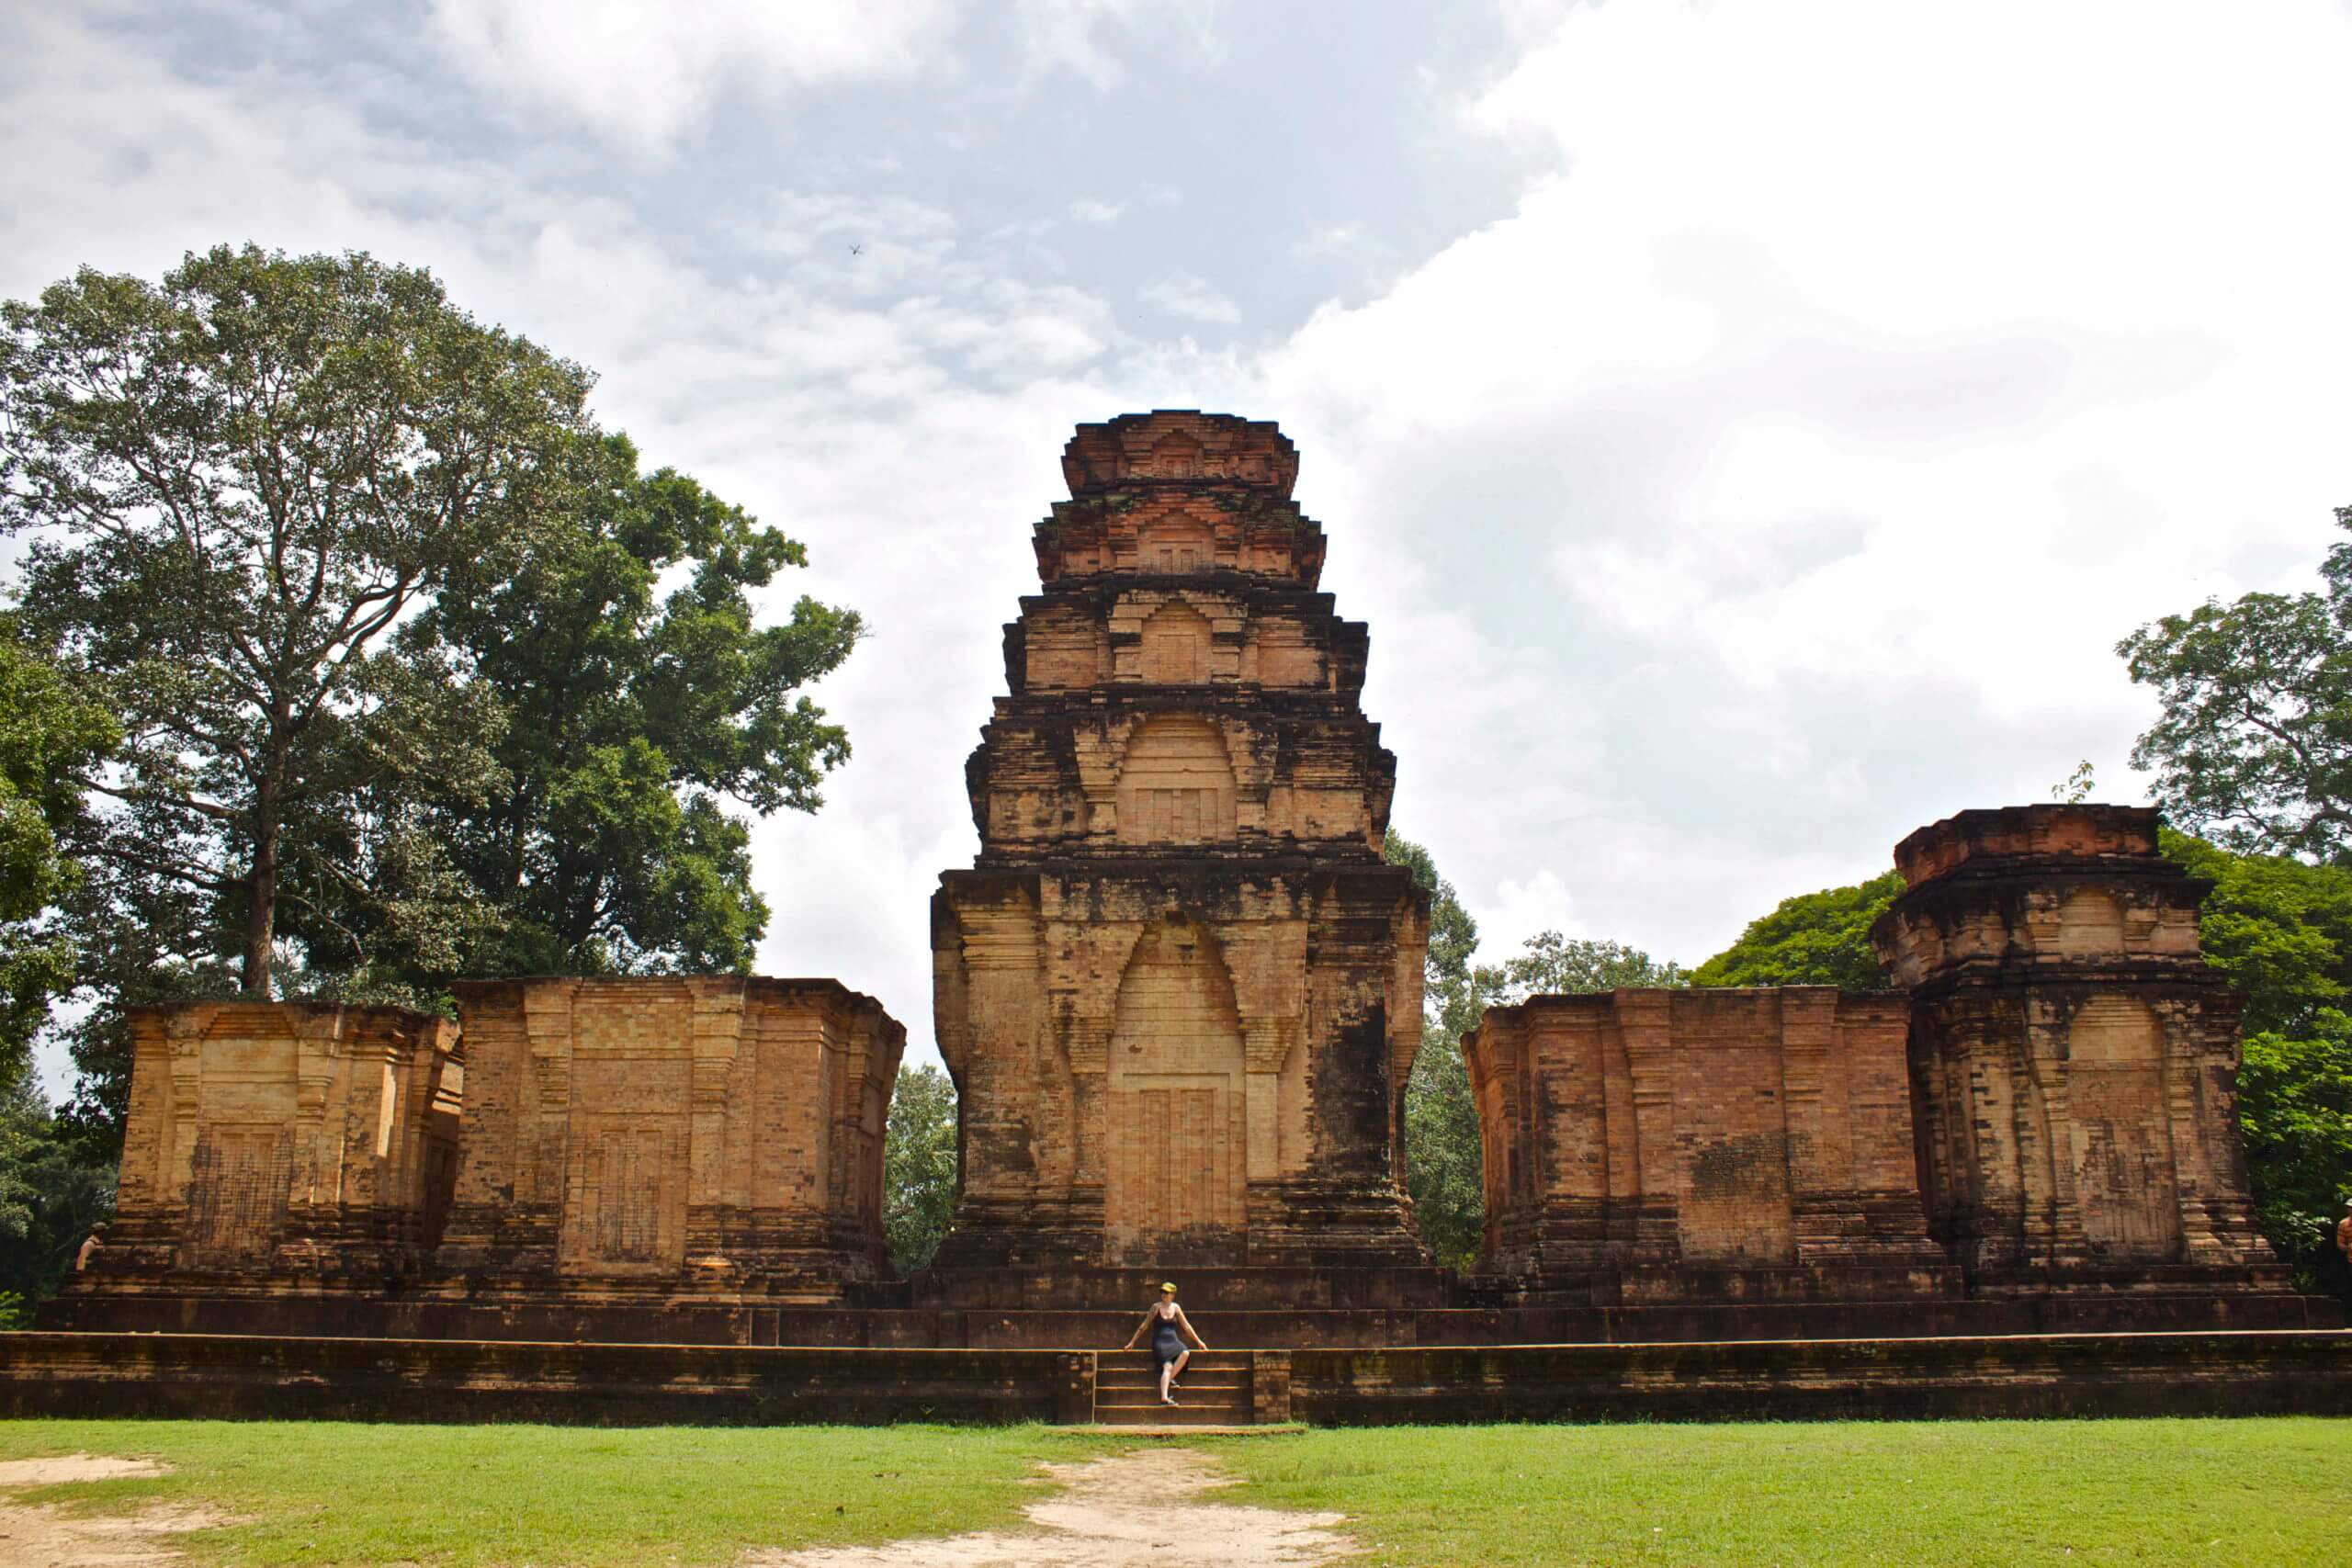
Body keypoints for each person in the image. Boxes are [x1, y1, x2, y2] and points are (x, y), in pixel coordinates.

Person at [1121, 1280, 1207, 1406]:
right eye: (1163, 1292)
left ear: (1173, 1295)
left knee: (1185, 1353)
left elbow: (1186, 1326)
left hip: (1173, 1341)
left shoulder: (1176, 1307)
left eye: (1167, 1293)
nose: (1164, 1295)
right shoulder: (1156, 1307)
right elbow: (1144, 1326)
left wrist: (1199, 1341)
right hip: (1160, 1342)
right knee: (1167, 1366)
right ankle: (1164, 1397)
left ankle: (1170, 1378)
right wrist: (1132, 1342)